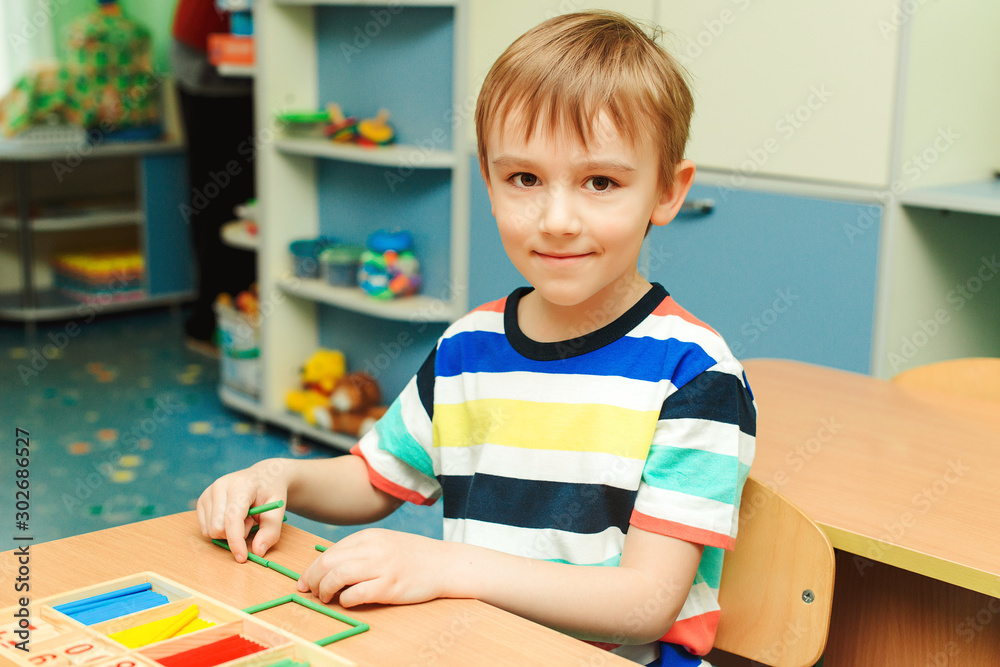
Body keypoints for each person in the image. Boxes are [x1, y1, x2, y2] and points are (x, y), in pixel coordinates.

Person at [197, 11, 755, 666]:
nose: (557, 219)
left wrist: (447, 565)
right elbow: (375, 478)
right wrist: (280, 474)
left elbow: (645, 602)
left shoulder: (696, 374)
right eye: (524, 178)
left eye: (600, 181)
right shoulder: (469, 345)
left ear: (668, 190)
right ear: (488, 181)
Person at [171, 0, 256, 352]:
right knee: (219, 198)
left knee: (243, 201)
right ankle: (210, 321)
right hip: (211, 63)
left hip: (243, 61)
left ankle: (237, 316)